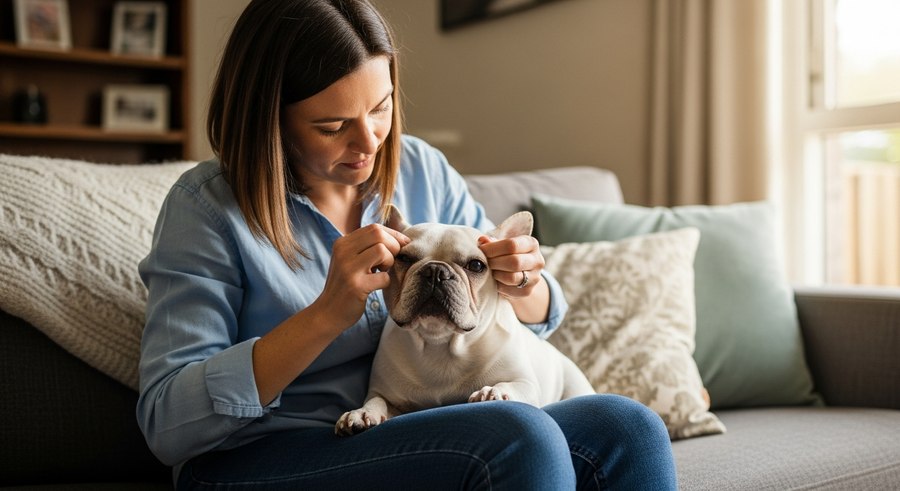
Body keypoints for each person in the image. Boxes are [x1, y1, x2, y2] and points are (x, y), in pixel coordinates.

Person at [137, 0, 679, 489]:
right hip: (259, 455)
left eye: (380, 108)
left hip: (414, 427)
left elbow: (524, 311)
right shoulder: (205, 209)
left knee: (628, 426)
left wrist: (522, 280)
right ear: (269, 122)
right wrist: (326, 314)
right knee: (518, 437)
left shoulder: (420, 168)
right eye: (332, 126)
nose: (370, 141)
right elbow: (168, 425)